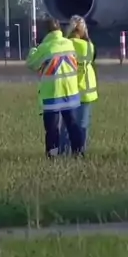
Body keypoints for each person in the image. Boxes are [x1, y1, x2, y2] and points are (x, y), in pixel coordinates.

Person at [26, 17, 83, 157]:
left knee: (52, 129)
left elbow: (31, 63)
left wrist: (34, 49)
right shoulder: (69, 44)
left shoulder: (45, 47)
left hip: (52, 93)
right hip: (70, 92)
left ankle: (52, 155)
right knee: (73, 125)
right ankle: (79, 152)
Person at [59, 15, 98, 154]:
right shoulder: (89, 46)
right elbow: (92, 58)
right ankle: (80, 152)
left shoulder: (64, 45)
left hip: (68, 90)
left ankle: (63, 151)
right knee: (82, 125)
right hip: (86, 91)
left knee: (66, 125)